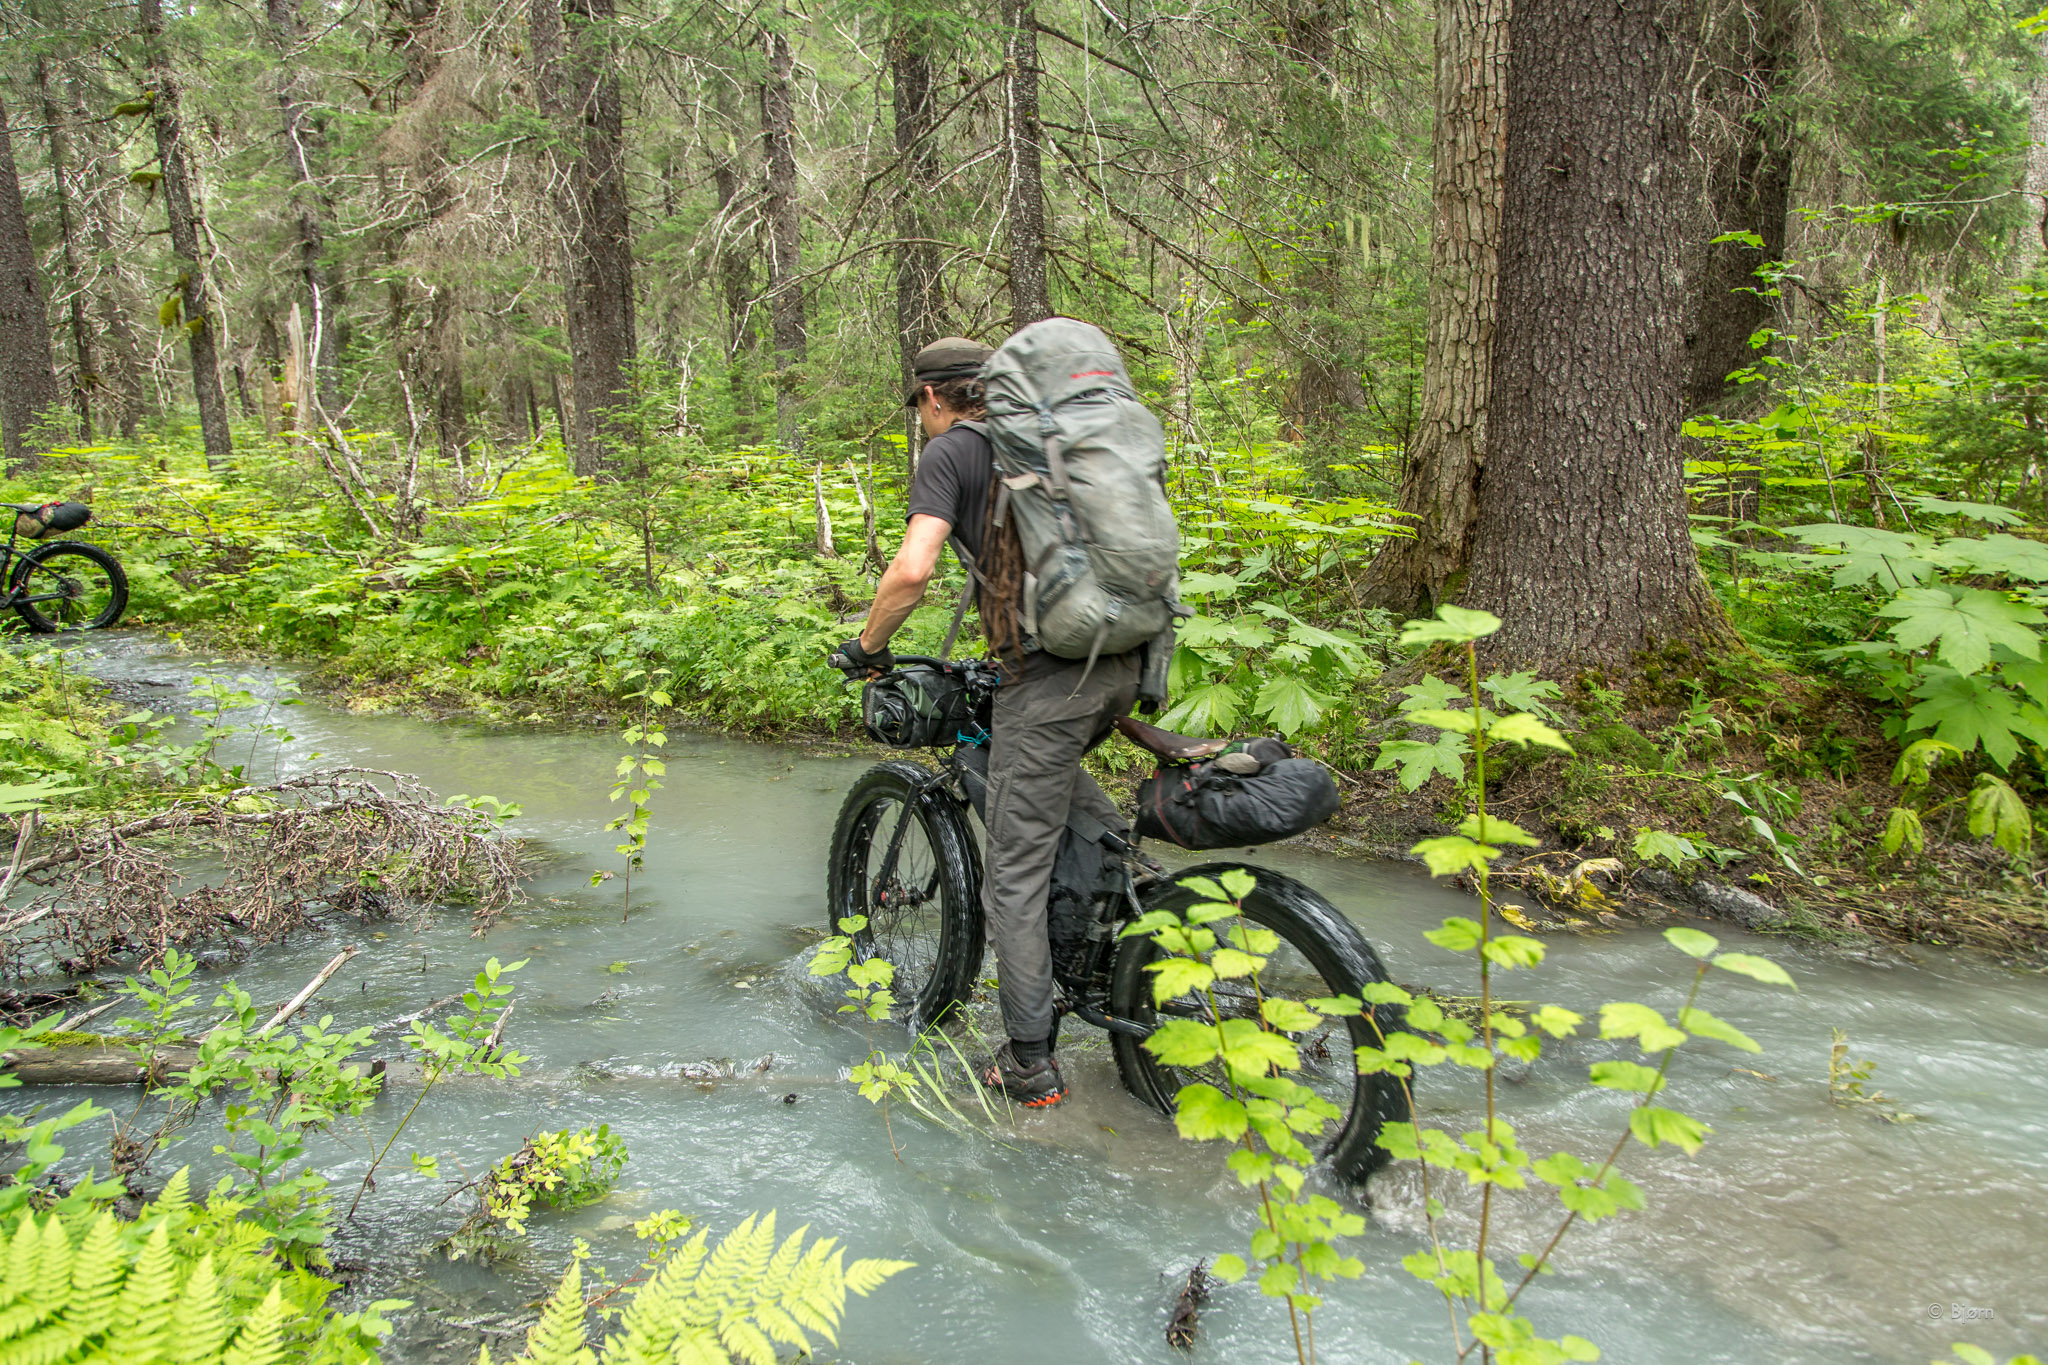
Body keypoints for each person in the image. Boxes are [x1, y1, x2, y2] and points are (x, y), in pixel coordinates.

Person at [833, 336, 1142, 1109]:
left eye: (921, 408)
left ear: (934, 398)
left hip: (1053, 673)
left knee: (1013, 874)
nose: (923, 419)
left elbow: (912, 568)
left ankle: (1031, 1062)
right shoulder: (1050, 438)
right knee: (1069, 809)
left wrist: (867, 647)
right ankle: (1121, 940)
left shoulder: (953, 453)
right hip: (1129, 659)